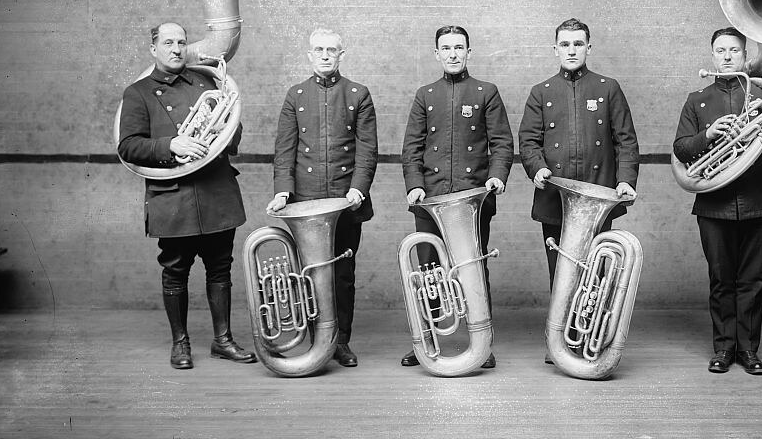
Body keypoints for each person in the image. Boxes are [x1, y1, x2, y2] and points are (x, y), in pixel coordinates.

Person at [118, 22, 257, 370]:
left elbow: (230, 133)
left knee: (220, 269)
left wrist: (227, 127)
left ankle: (222, 341)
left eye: (181, 42)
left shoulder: (208, 83)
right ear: (154, 49)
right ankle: (180, 343)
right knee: (176, 272)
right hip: (173, 196)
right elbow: (128, 146)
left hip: (216, 192)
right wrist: (171, 145)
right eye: (168, 43)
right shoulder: (138, 93)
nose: (177, 49)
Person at [672, 26, 762, 376]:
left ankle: (748, 350)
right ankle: (723, 348)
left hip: (761, 201)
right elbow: (681, 148)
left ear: (746, 55)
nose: (727, 56)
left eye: (733, 50)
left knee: (753, 280)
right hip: (714, 205)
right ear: (711, 56)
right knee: (721, 278)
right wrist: (708, 135)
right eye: (720, 50)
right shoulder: (696, 100)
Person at [518, 18, 639, 364]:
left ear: (589, 47)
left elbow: (626, 140)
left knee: (596, 274)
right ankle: (558, 339)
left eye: (578, 44)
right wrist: (536, 167)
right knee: (560, 271)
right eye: (565, 44)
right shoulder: (540, 91)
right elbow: (528, 141)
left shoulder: (608, 87)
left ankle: (590, 338)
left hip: (598, 197)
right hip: (555, 197)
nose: (571, 50)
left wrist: (626, 179)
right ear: (555, 49)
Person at [399, 25, 514, 369]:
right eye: (445, 48)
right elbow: (412, 148)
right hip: (430, 199)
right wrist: (414, 185)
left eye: (458, 48)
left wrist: (496, 176)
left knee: (474, 270)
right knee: (429, 271)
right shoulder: (425, 94)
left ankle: (483, 343)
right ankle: (429, 339)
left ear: (468, 52)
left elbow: (502, 143)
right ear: (436, 53)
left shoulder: (486, 92)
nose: (452, 54)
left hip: (473, 199)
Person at [266, 27, 377, 368]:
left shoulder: (358, 93)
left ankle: (340, 341)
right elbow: (284, 150)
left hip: (346, 200)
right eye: (319, 49)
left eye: (332, 50)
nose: (326, 55)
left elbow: (367, 149)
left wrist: (359, 187)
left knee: (343, 273)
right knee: (310, 272)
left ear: (342, 55)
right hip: (306, 202)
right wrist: (283, 190)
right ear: (309, 55)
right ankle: (316, 339)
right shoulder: (295, 94)